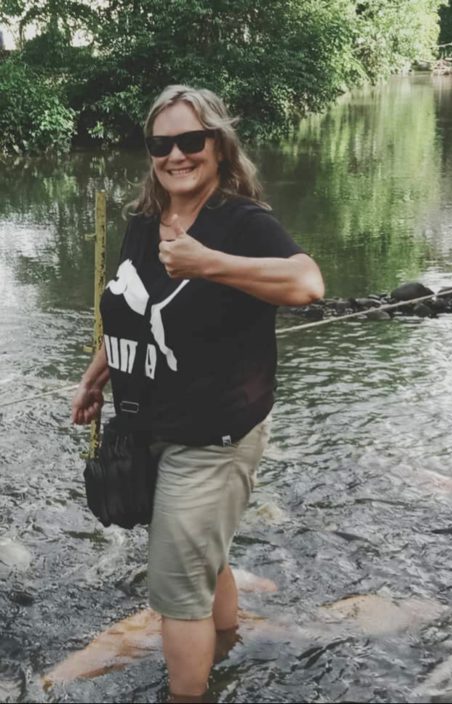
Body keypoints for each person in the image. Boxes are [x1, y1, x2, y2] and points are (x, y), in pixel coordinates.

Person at [71, 85, 324, 700]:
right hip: (150, 425)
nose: (176, 155)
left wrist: (209, 262)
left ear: (219, 144)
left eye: (192, 140)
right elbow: (132, 305)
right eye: (162, 143)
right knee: (200, 559)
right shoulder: (141, 222)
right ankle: (229, 642)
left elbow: (308, 284)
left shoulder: (240, 221)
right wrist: (99, 371)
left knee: (175, 586)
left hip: (215, 431)